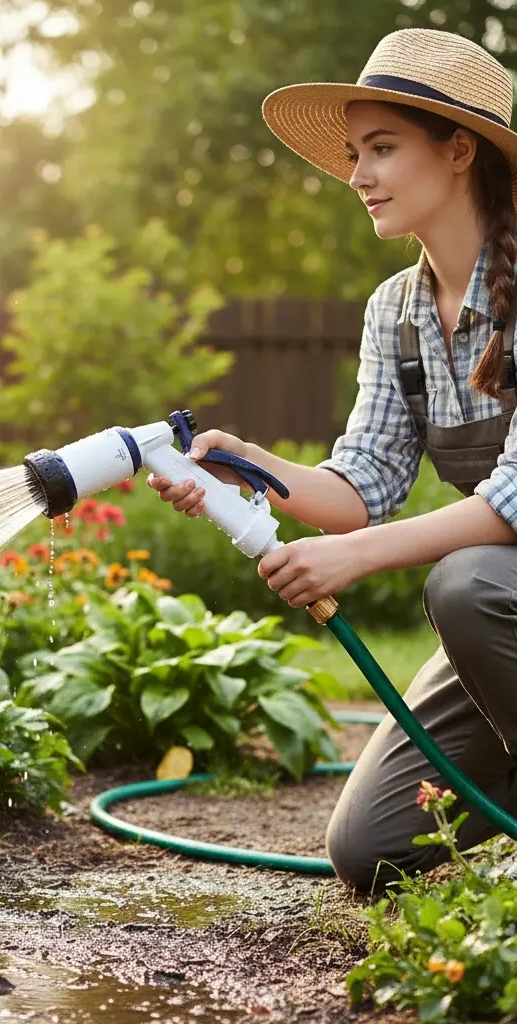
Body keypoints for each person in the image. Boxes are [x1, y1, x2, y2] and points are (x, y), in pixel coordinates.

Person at [147, 27, 517, 894]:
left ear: (459, 150)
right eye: (354, 153)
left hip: (497, 599)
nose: (357, 175)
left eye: (381, 149)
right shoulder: (398, 312)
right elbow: (361, 485)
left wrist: (351, 558)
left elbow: (514, 498)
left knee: (465, 583)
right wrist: (250, 467)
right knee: (372, 846)